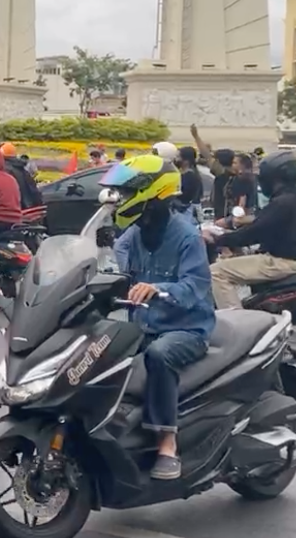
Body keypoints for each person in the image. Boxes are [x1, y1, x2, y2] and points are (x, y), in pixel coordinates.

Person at [100, 155, 215, 480]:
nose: (121, 199)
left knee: (159, 355)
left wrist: (157, 287)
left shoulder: (186, 236)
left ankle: (167, 442)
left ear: (152, 193)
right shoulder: (135, 233)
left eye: (127, 192)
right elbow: (112, 262)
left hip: (186, 328)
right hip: (143, 325)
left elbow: (195, 286)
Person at [206, 150, 296, 309]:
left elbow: (255, 233)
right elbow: (265, 226)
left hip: (281, 262)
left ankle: (237, 324)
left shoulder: (283, 201)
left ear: (274, 176)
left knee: (216, 272)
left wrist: (218, 239)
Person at [0, 142, 42, 210]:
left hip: (15, 210)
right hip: (28, 209)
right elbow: (35, 192)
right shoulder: (23, 170)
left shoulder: (4, 171)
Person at [174, 146, 203, 225]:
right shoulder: (187, 174)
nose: (176, 159)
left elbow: (184, 196)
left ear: (186, 161)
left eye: (178, 157)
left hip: (187, 214)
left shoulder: (189, 176)